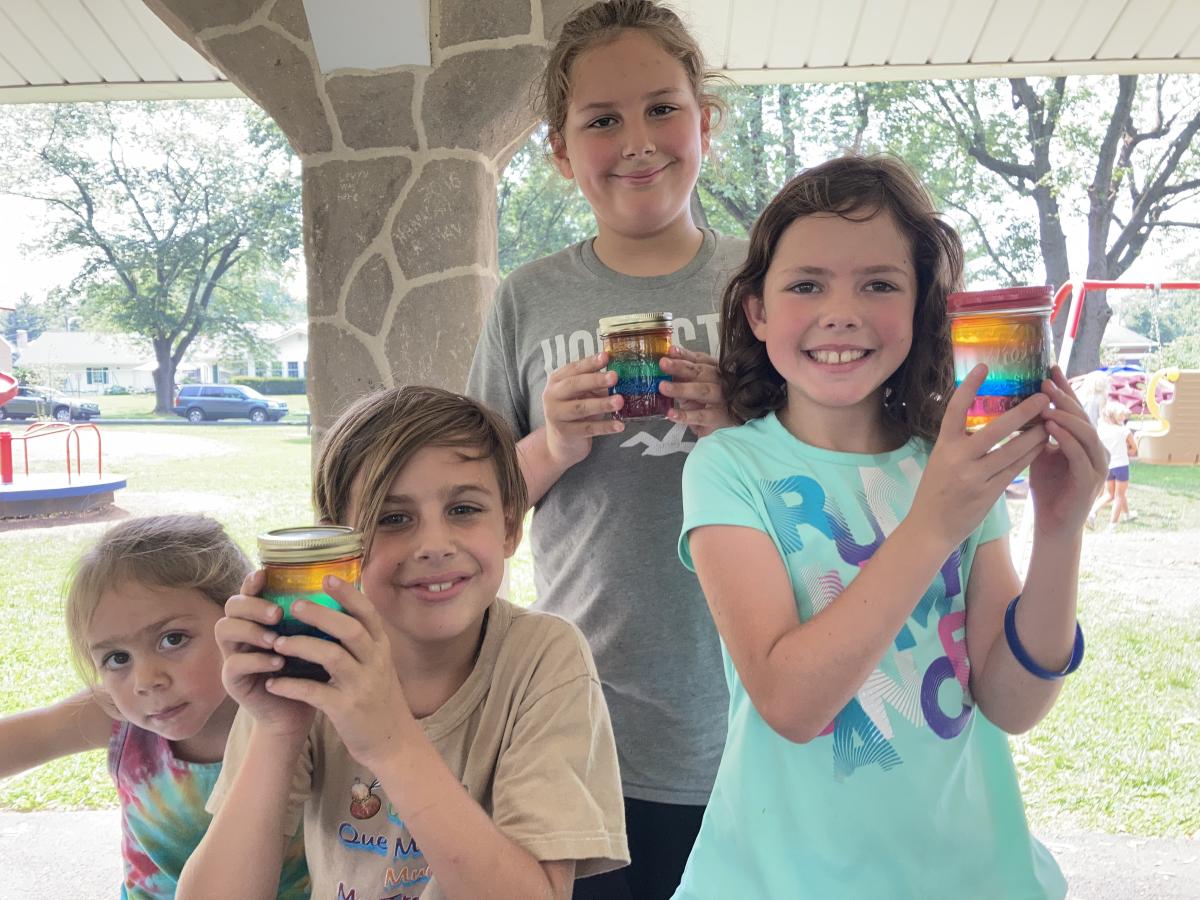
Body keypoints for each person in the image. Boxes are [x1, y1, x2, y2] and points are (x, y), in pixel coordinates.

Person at [671, 155, 1108, 899]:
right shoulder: (728, 468)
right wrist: (935, 523)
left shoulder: (951, 464)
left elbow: (1013, 703)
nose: (841, 312)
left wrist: (1061, 533)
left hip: (973, 875)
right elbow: (791, 703)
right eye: (806, 284)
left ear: (923, 311)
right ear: (758, 312)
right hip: (783, 880)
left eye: (879, 284)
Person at [466, 3, 745, 894]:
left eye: (663, 108)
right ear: (559, 150)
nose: (638, 140)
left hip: (755, 714)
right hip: (581, 723)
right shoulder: (527, 298)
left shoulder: (768, 282)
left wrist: (739, 433)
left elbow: (836, 473)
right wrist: (552, 442)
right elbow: (473, 502)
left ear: (706, 121)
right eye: (601, 120)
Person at [179, 386, 628, 900]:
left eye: (463, 509)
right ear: (340, 546)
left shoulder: (543, 659)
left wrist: (389, 739)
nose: (434, 545)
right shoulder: (312, 662)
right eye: (394, 518)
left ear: (508, 526)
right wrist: (277, 728)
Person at [0, 514, 309, 899]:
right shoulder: (115, 715)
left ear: (241, 621)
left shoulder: (296, 716)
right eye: (117, 658)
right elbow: (28, 737)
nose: (146, 680)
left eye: (173, 639)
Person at [1091, 400, 1139, 529]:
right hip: (1121, 465)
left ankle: (1093, 511)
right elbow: (1134, 449)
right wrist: (1125, 451)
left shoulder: (1102, 431)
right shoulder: (1124, 431)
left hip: (1108, 466)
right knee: (1119, 495)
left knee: (1110, 494)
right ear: (1118, 416)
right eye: (1122, 415)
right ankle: (1112, 526)